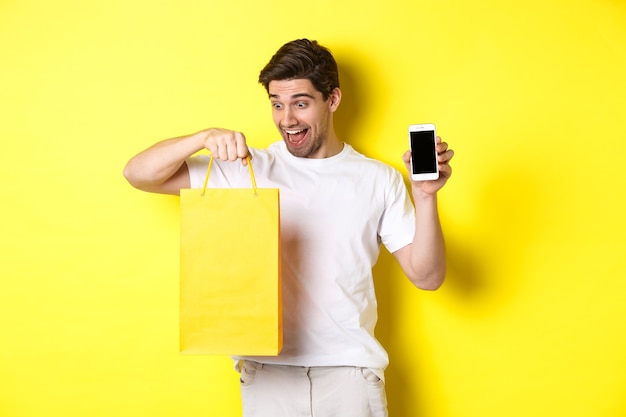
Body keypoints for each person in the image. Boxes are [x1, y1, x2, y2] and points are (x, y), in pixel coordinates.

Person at [124, 38, 454, 417]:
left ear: (332, 99)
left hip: (349, 375)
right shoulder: (245, 168)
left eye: (300, 103)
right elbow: (138, 174)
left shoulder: (378, 179)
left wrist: (425, 195)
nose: (287, 120)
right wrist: (201, 138)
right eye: (277, 105)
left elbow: (427, 276)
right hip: (268, 373)